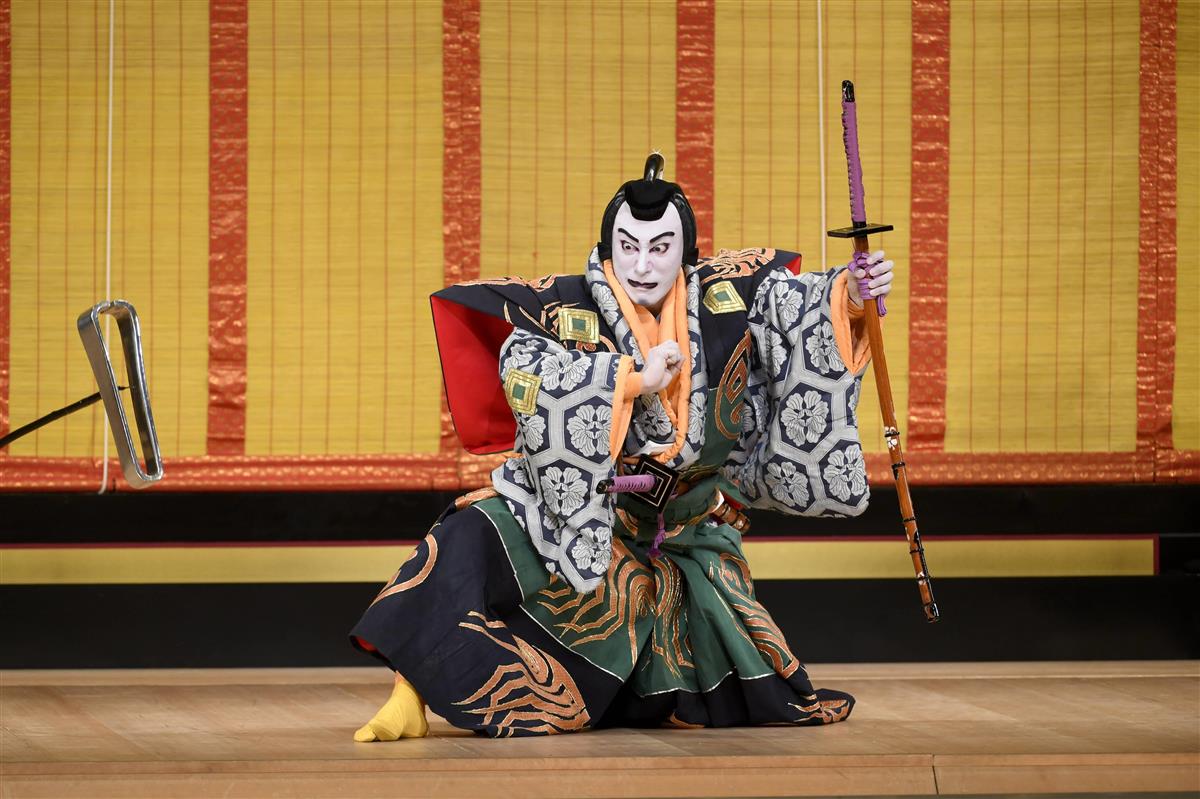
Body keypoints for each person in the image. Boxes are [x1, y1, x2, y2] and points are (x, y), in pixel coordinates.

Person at [349, 154, 894, 740]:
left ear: (685, 250)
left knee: (707, 692)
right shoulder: (570, 307)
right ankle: (409, 692)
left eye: (660, 247)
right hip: (590, 522)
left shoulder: (728, 298)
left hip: (685, 538)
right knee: (473, 530)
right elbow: (527, 369)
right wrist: (632, 380)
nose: (642, 264)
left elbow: (801, 307)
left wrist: (853, 295)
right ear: (608, 247)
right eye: (627, 247)